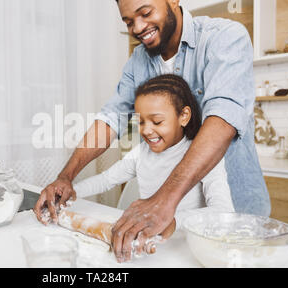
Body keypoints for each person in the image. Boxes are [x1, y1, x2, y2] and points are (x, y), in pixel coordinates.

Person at [34, 0, 271, 263]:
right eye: (128, 22)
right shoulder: (138, 61)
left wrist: (163, 202)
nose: (137, 27)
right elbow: (112, 117)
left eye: (145, 13)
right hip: (173, 238)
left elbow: (222, 120)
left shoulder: (224, 38)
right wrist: (66, 177)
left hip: (236, 219)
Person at [72, 74, 235, 261]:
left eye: (157, 122)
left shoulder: (204, 156)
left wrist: (173, 222)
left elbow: (224, 212)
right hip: (150, 251)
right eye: (141, 122)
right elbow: (106, 180)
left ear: (184, 116)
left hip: (191, 252)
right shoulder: (140, 153)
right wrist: (70, 192)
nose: (147, 130)